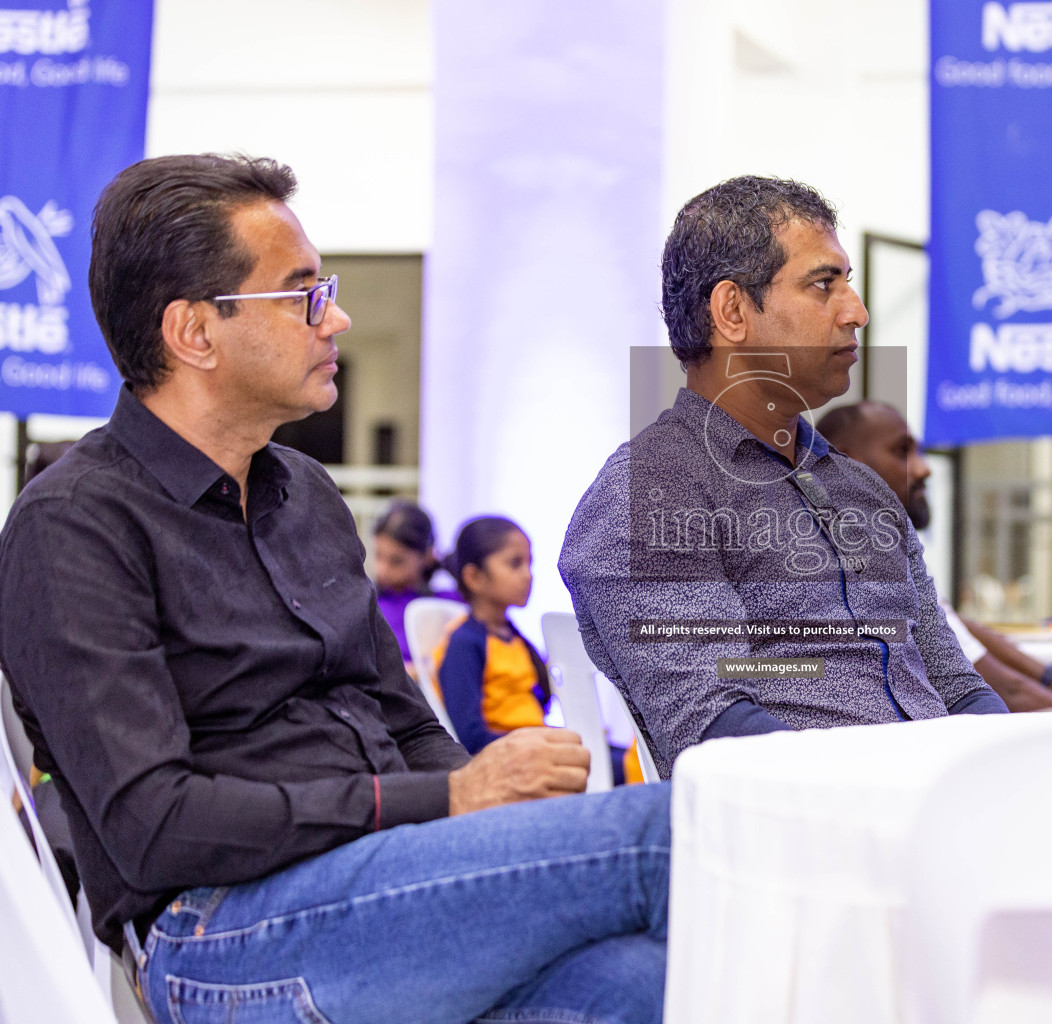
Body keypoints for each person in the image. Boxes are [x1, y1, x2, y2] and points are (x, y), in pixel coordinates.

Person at [0, 154, 669, 1024]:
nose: (337, 318)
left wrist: (487, 813)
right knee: (676, 834)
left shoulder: (304, 493)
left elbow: (401, 717)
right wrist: (455, 800)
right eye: (303, 293)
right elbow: (153, 824)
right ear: (194, 332)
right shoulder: (74, 526)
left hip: (380, 887)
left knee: (635, 985)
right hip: (219, 934)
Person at [559, 175, 1007, 778]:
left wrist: (1008, 771)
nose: (858, 312)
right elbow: (714, 725)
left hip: (937, 806)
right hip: (807, 833)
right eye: (824, 284)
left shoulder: (863, 491)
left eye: (847, 282)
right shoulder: (651, 494)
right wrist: (898, 788)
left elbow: (956, 685)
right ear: (733, 311)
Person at [818, 400, 1052, 709]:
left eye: (918, 452)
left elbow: (956, 626)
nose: (924, 468)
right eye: (901, 451)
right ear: (845, 462)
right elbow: (1006, 690)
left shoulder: (895, 556)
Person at [434, 516, 551, 754]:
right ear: (474, 577)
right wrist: (539, 743)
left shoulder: (514, 637)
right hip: (506, 758)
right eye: (515, 563)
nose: (528, 575)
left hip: (535, 745)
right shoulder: (464, 643)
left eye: (530, 563)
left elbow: (536, 705)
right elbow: (470, 737)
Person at [372, 499, 462, 668]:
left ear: (427, 556)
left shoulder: (449, 604)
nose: (382, 569)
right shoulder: (367, 604)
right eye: (378, 556)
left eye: (396, 561)